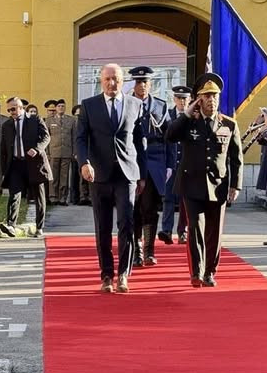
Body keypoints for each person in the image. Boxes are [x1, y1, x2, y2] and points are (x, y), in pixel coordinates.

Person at [165, 72, 243, 288]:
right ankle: (196, 272)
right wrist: (186, 114)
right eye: (207, 96)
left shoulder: (229, 124)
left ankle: (209, 271)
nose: (211, 100)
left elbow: (236, 158)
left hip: (218, 186)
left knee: (214, 232)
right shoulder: (189, 122)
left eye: (214, 96)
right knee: (195, 229)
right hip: (192, 184)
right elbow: (170, 136)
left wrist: (235, 185)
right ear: (199, 99)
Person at [76, 63, 146, 294]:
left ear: (122, 81)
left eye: (115, 78)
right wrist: (84, 163)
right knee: (103, 227)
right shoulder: (89, 106)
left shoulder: (135, 104)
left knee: (126, 224)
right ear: (101, 81)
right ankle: (106, 275)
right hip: (99, 175)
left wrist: (142, 174)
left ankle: (123, 274)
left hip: (126, 175)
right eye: (107, 79)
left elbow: (140, 141)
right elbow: (81, 138)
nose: (111, 83)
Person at [128, 66, 173, 267]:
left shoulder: (160, 106)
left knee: (150, 208)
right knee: (133, 209)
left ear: (150, 84)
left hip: (155, 162)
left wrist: (170, 164)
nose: (142, 86)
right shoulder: (125, 103)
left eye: (145, 82)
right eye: (138, 82)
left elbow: (170, 138)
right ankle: (136, 252)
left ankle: (149, 251)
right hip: (132, 160)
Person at [0, 97, 52, 238]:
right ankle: (11, 225)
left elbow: (46, 137)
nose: (11, 112)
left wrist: (37, 149)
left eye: (13, 109)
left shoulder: (35, 120)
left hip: (34, 163)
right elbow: (4, 148)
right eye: (9, 110)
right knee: (14, 194)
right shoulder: (7, 125)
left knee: (39, 196)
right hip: (16, 163)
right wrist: (4, 170)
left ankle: (39, 227)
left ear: (21, 107)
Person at [159, 85, 190, 245]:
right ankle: (167, 230)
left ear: (189, 100)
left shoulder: (193, 117)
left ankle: (183, 231)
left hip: (187, 165)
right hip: (171, 165)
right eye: (179, 98)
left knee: (185, 200)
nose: (182, 102)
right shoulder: (167, 116)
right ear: (174, 99)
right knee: (168, 199)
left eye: (185, 99)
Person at [46, 99, 75, 205]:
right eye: (59, 106)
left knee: (64, 176)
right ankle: (53, 197)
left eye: (63, 106)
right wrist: (47, 153)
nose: (61, 108)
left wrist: (74, 152)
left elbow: (74, 137)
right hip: (53, 152)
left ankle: (62, 198)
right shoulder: (49, 120)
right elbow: (46, 138)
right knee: (53, 176)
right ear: (56, 108)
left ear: (65, 107)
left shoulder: (71, 120)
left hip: (67, 152)